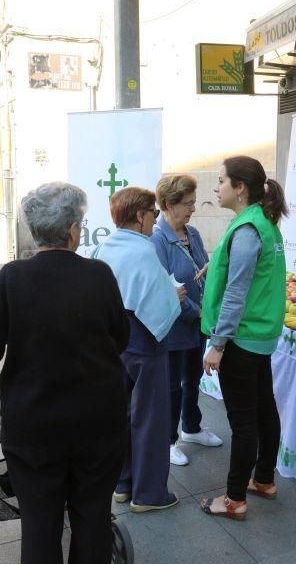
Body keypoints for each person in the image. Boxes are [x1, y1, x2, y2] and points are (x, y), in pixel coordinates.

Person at [0, 182, 130, 564]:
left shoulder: (10, 278)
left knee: (39, 523)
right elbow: (119, 338)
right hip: (97, 421)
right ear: (73, 229)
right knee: (93, 517)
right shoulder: (99, 274)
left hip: (33, 423)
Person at [199, 156, 288, 521]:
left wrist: (218, 345)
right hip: (259, 334)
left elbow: (236, 293)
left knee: (244, 421)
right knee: (264, 408)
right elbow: (241, 269)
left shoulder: (249, 229)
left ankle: (234, 499)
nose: (214, 187)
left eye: (220, 181)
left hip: (242, 338)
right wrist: (214, 263)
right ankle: (264, 479)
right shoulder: (260, 223)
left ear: (240, 188)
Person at [92, 186, 185, 512]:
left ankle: (123, 483)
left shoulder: (105, 246)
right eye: (154, 213)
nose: (155, 220)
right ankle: (148, 494)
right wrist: (176, 296)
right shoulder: (143, 250)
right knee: (151, 420)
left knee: (121, 416)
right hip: (145, 345)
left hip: (114, 345)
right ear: (140, 216)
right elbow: (158, 303)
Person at [150, 175, 222, 466]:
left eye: (193, 202)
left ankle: (191, 427)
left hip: (197, 323)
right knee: (172, 385)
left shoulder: (191, 233)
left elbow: (202, 269)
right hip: (176, 324)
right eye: (188, 203)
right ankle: (168, 440)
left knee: (194, 378)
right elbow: (167, 287)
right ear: (169, 204)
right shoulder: (157, 239)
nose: (193, 208)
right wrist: (198, 311)